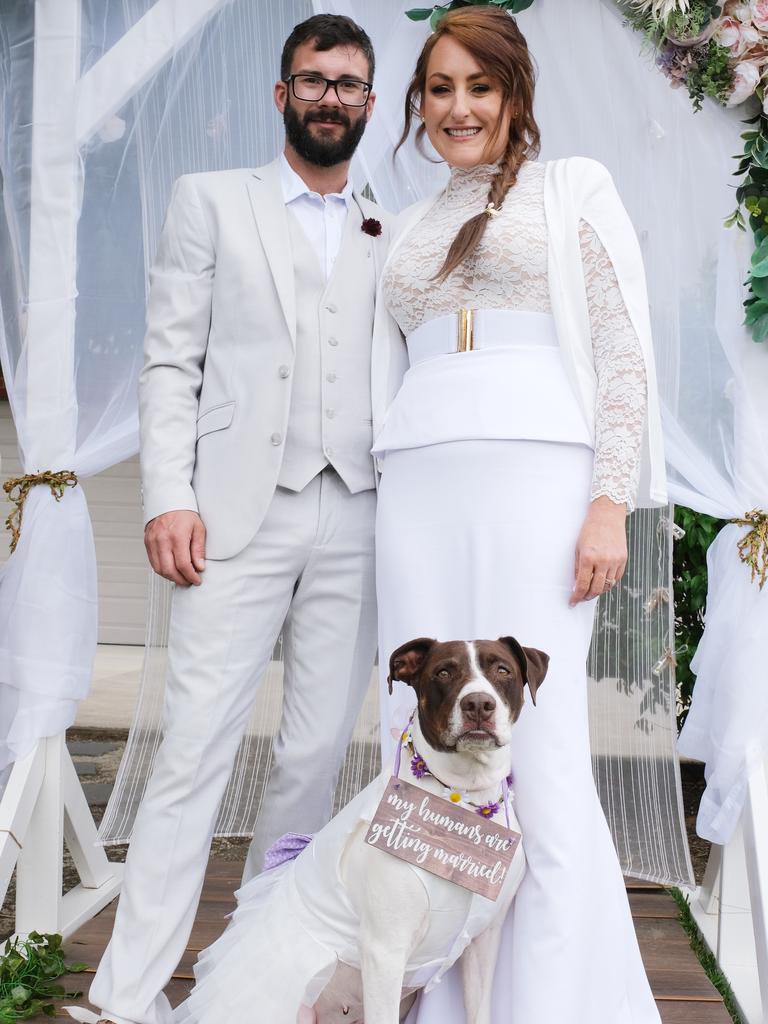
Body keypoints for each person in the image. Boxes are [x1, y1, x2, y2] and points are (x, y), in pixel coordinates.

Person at [83, 14, 389, 1024]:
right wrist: (168, 494)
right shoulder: (212, 202)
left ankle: (247, 984)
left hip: (358, 512)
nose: (330, 98)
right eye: (313, 80)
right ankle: (126, 997)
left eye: (348, 84)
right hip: (233, 517)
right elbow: (171, 359)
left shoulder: (400, 226)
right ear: (281, 93)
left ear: (371, 102)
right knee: (194, 752)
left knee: (310, 759)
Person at [369, 7, 666, 1023]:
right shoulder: (403, 222)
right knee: (421, 749)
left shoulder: (573, 188)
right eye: (440, 89)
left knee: (536, 752)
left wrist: (608, 504)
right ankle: (447, 1002)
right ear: (421, 104)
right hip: (415, 486)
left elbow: (624, 357)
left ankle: (553, 1001)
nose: (459, 108)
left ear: (514, 95)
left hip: (541, 482)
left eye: (479, 88)